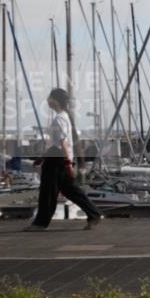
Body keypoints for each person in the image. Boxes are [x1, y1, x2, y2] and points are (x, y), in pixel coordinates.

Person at [24, 88, 103, 231]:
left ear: (55, 100)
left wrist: (68, 164)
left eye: (49, 97)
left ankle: (40, 224)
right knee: (70, 190)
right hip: (58, 158)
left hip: (58, 161)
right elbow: (57, 144)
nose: (47, 101)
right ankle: (94, 214)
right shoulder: (64, 116)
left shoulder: (59, 119)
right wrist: (42, 158)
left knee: (48, 191)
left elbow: (63, 143)